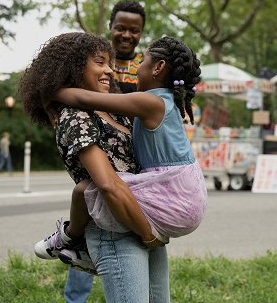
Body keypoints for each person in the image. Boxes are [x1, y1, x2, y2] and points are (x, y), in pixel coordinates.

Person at [19, 32, 170, 302]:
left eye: (109, 63)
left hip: (142, 220)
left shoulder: (112, 108)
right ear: (73, 67)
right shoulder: (74, 116)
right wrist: (147, 234)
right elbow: (107, 183)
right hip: (114, 231)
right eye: (100, 62)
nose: (109, 71)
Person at [46, 35, 207, 251]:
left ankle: (69, 240)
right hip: (186, 193)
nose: (137, 68)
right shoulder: (163, 102)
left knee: (84, 191)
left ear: (158, 67)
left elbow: (83, 99)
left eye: (142, 62)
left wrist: (48, 92)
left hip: (174, 196)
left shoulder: (150, 102)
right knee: (97, 190)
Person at [63, 0, 147, 302]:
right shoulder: (97, 61)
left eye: (134, 30)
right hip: (97, 153)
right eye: (121, 28)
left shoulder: (145, 69)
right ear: (110, 28)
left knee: (131, 225)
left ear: (141, 33)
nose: (126, 35)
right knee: (90, 219)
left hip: (134, 160)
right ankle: (76, 298)